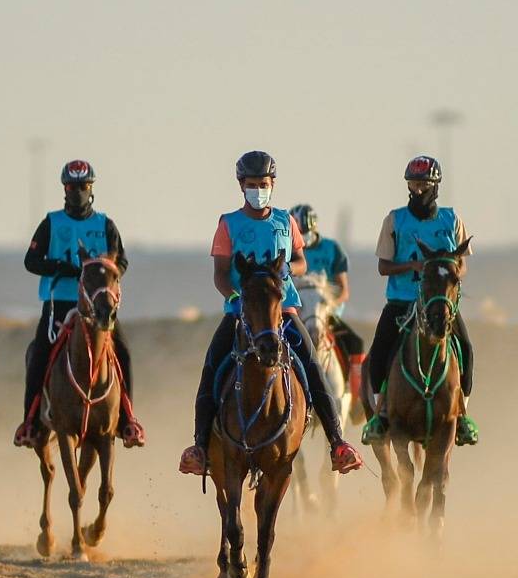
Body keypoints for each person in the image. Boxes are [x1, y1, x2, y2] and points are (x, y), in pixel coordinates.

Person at [178, 151, 364, 476]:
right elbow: (221, 273)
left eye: (263, 183)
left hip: (284, 310)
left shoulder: (285, 221)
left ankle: (337, 443)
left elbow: (302, 262)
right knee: (212, 367)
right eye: (252, 184)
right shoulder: (228, 224)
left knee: (311, 365)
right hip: (240, 312)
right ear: (241, 185)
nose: (258, 189)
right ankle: (200, 448)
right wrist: (237, 296)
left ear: (272, 183)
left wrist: (285, 270)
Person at [12, 159, 145, 448]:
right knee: (38, 354)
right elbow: (30, 261)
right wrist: (59, 265)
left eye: (83, 187)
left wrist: (107, 271)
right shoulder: (51, 222)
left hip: (99, 305)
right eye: (72, 188)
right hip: (58, 301)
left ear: (91, 188)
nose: (78, 193)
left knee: (123, 351)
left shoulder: (105, 225)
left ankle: (126, 420)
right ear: (64, 189)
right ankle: (31, 422)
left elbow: (121, 260)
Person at [361, 155, 478, 446]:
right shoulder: (395, 220)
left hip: (441, 304)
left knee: (466, 349)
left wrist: (451, 272)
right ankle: (381, 413)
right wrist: (413, 267)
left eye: (423, 184)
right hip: (402, 301)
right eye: (413, 184)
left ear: (435, 186)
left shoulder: (451, 219)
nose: (417, 190)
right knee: (378, 353)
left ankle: (462, 415)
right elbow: (383, 267)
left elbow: (462, 264)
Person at [290, 204, 367, 398]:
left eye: (305, 232)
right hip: (298, 314)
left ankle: (356, 393)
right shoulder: (289, 250)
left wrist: (328, 306)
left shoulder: (332, 249)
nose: (303, 237)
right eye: (299, 232)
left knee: (355, 342)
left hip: (326, 313)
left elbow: (343, 289)